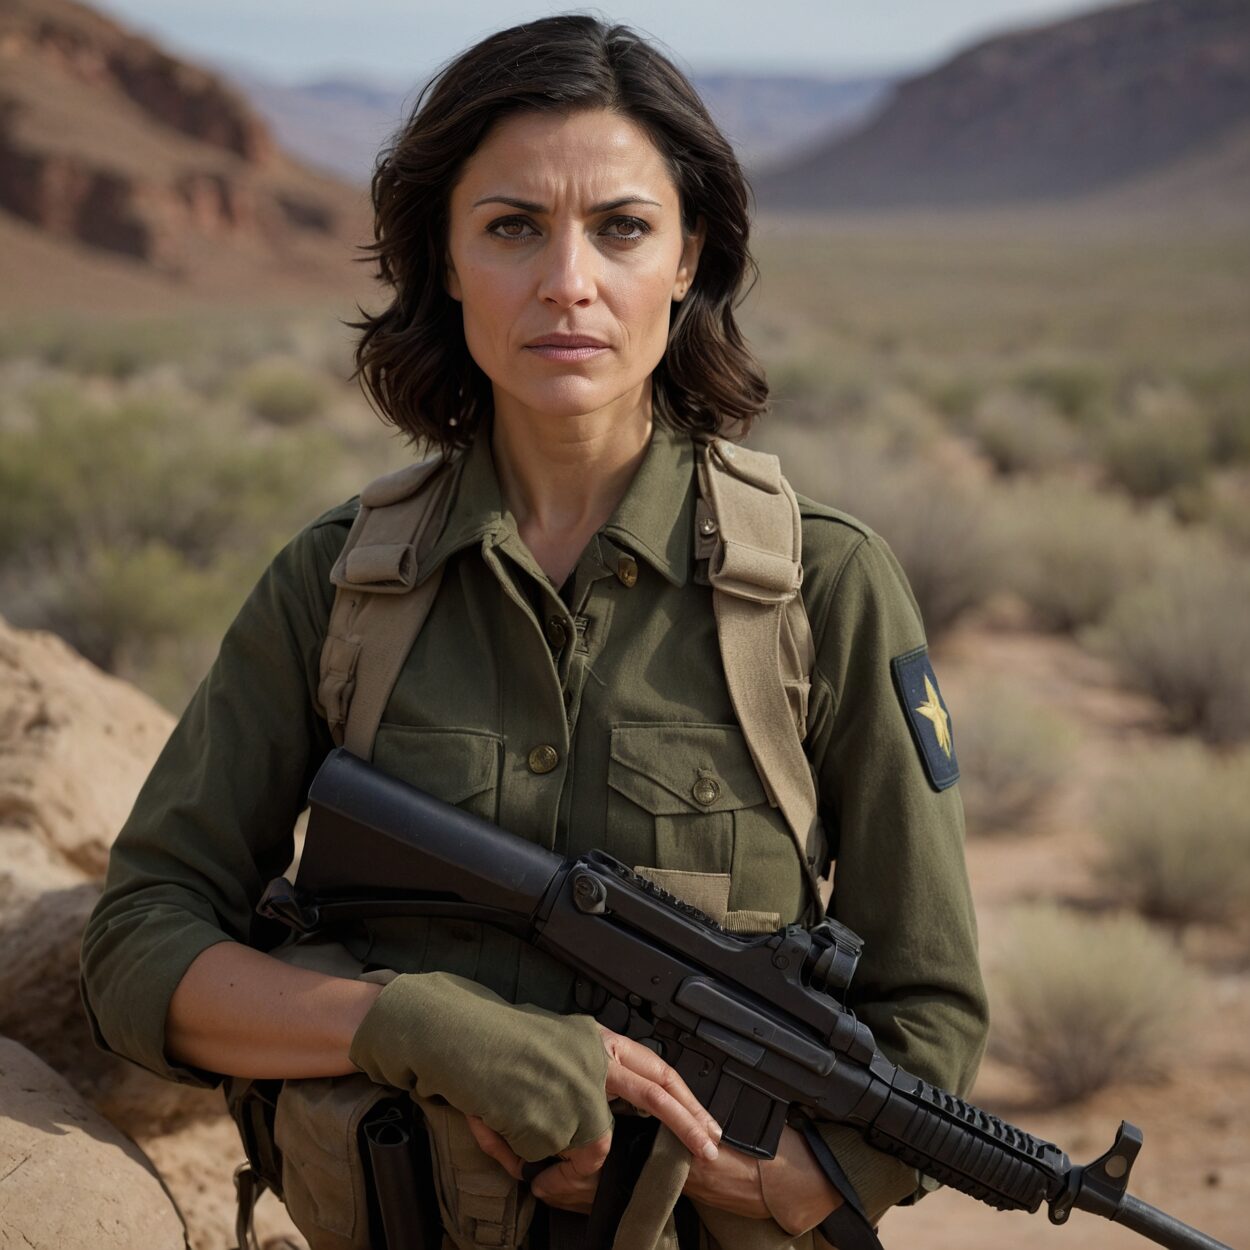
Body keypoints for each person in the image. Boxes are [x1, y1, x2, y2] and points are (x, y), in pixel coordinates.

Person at [80, 14, 988, 1249]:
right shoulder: (341, 585)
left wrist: (729, 1175)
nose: (568, 280)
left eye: (621, 228)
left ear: (687, 256)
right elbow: (140, 942)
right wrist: (399, 1022)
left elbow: (924, 1014)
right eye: (511, 227)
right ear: (446, 262)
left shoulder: (820, 585)